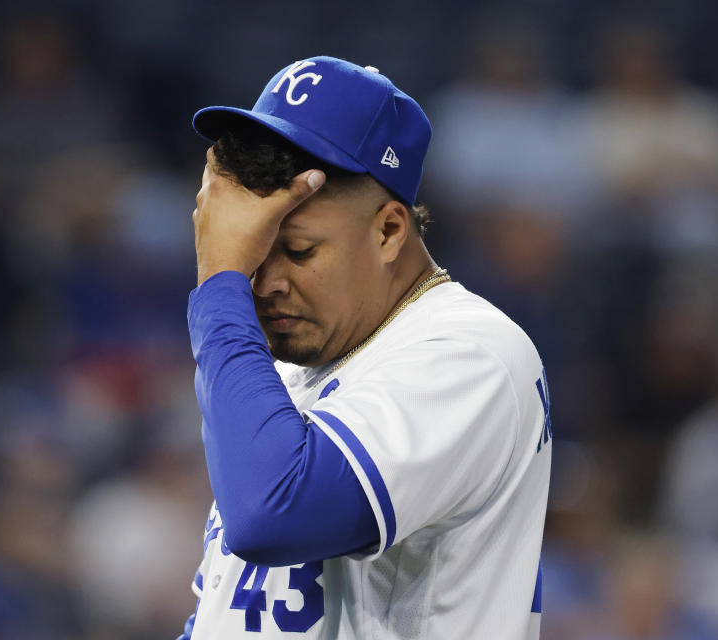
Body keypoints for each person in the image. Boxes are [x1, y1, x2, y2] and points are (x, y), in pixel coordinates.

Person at [180, 56, 552, 640]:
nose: (264, 282)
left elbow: (274, 515)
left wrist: (218, 281)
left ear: (388, 231)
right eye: (252, 252)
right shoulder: (288, 356)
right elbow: (224, 611)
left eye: (298, 252)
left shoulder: (470, 352)